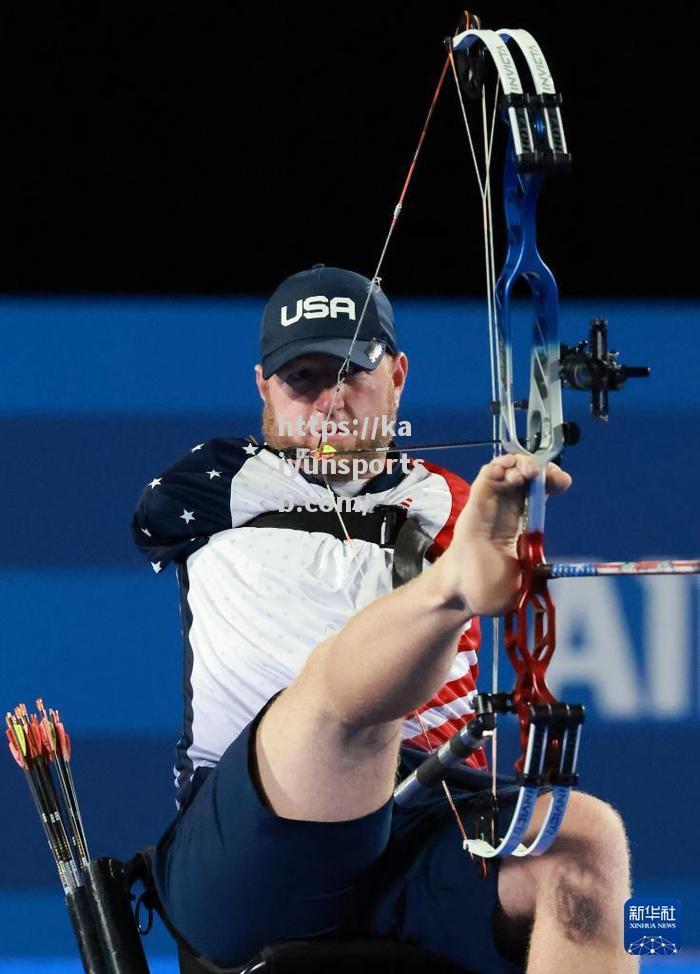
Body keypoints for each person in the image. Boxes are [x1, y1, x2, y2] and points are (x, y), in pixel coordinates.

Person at [132, 265, 636, 973]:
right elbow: (152, 521)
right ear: (263, 389)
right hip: (254, 836)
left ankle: (448, 592)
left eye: (351, 374)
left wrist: (498, 539)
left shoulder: (452, 500)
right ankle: (445, 591)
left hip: (426, 812)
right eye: (301, 379)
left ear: (398, 375)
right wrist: (456, 577)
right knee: (346, 711)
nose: (330, 402)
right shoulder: (215, 484)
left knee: (586, 843)